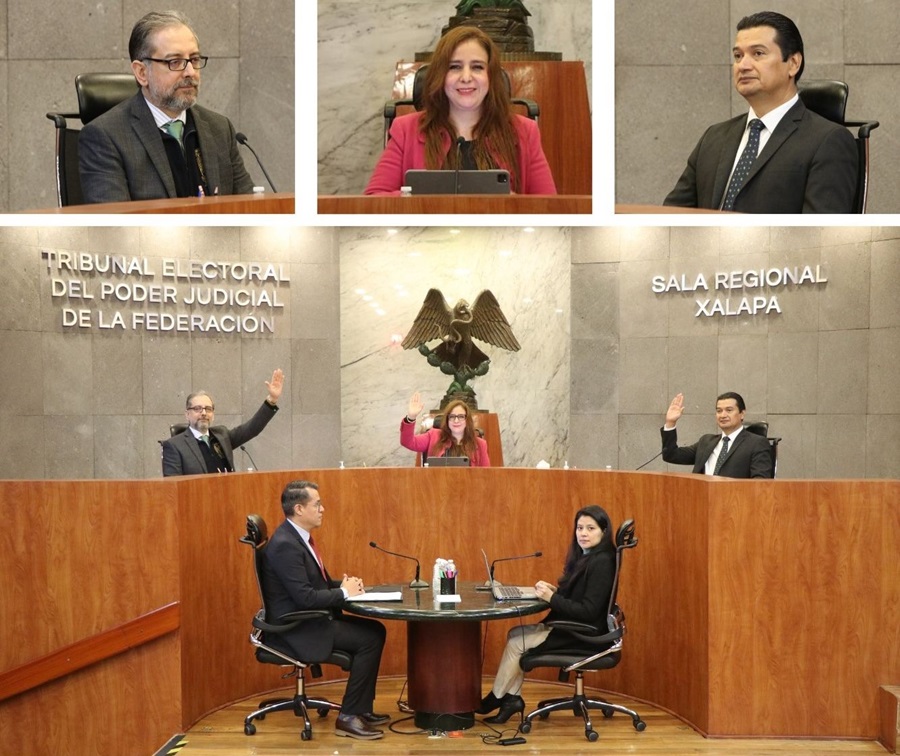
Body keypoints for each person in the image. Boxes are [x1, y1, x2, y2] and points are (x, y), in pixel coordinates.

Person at [663, 11, 857, 213]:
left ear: (793, 63)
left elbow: (820, 228)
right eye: (738, 56)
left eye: (758, 53)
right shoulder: (713, 137)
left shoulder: (828, 141)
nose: (743, 66)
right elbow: (670, 216)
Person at [79, 10, 255, 203]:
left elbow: (250, 206)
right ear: (142, 73)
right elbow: (114, 218)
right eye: (175, 62)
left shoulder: (220, 129)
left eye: (194, 59)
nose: (190, 72)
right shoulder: (106, 137)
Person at [261, 481, 389, 740]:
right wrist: (343, 594)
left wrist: (344, 586)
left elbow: (314, 584)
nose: (322, 509)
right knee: (370, 638)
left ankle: (361, 709)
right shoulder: (286, 545)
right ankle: (348, 716)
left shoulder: (297, 537)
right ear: (299, 509)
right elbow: (305, 598)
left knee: (375, 629)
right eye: (317, 504)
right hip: (296, 627)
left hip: (308, 618)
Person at [364, 25, 556, 196]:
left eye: (477, 67)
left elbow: (549, 206)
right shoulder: (405, 130)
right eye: (455, 67)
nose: (466, 77)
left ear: (490, 76)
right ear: (440, 75)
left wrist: (514, 204)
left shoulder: (525, 131)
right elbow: (374, 199)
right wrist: (414, 199)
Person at [477, 505, 617, 724]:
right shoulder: (591, 556)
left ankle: (497, 697)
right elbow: (581, 597)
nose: (583, 533)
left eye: (591, 528)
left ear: (604, 531)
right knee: (515, 634)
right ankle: (511, 699)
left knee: (517, 642)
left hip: (584, 634)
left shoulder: (602, 562)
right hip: (575, 626)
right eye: (579, 528)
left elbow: (588, 611)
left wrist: (552, 599)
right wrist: (555, 592)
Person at [161, 368, 283, 476]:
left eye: (208, 409)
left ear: (213, 415)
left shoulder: (222, 435)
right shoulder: (174, 445)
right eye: (197, 409)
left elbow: (252, 429)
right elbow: (172, 486)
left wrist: (272, 400)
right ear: (187, 414)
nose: (204, 413)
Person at [660, 392, 774, 478]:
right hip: (702, 499)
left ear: (742, 414)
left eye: (729, 410)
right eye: (719, 411)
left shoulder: (756, 443)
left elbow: (760, 482)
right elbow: (671, 455)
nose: (723, 415)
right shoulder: (706, 442)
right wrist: (670, 422)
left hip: (735, 500)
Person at [401, 392, 490, 466]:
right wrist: (411, 417)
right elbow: (407, 442)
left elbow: (486, 475)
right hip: (437, 481)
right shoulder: (433, 436)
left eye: (461, 416)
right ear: (447, 419)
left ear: (467, 420)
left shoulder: (480, 444)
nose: (456, 420)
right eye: (452, 416)